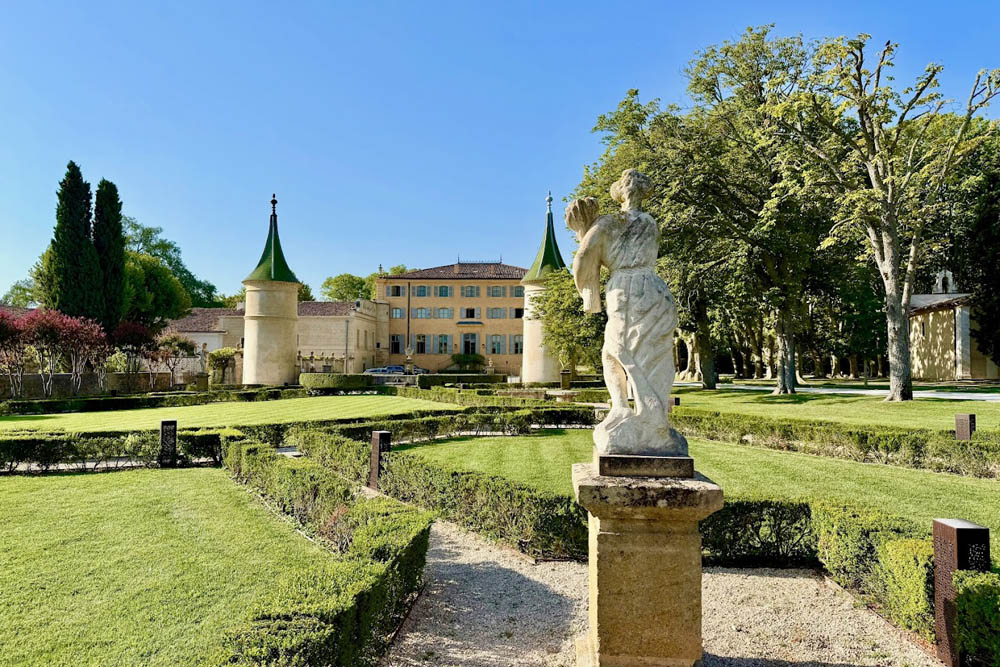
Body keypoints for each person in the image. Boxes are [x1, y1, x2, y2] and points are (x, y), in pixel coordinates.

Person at [569, 169, 687, 456]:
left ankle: (623, 408)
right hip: (656, 290)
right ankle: (653, 417)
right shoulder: (650, 222)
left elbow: (585, 257)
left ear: (619, 192)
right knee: (652, 354)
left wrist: (582, 230)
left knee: (614, 350)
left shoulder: (609, 223)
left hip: (626, 289)